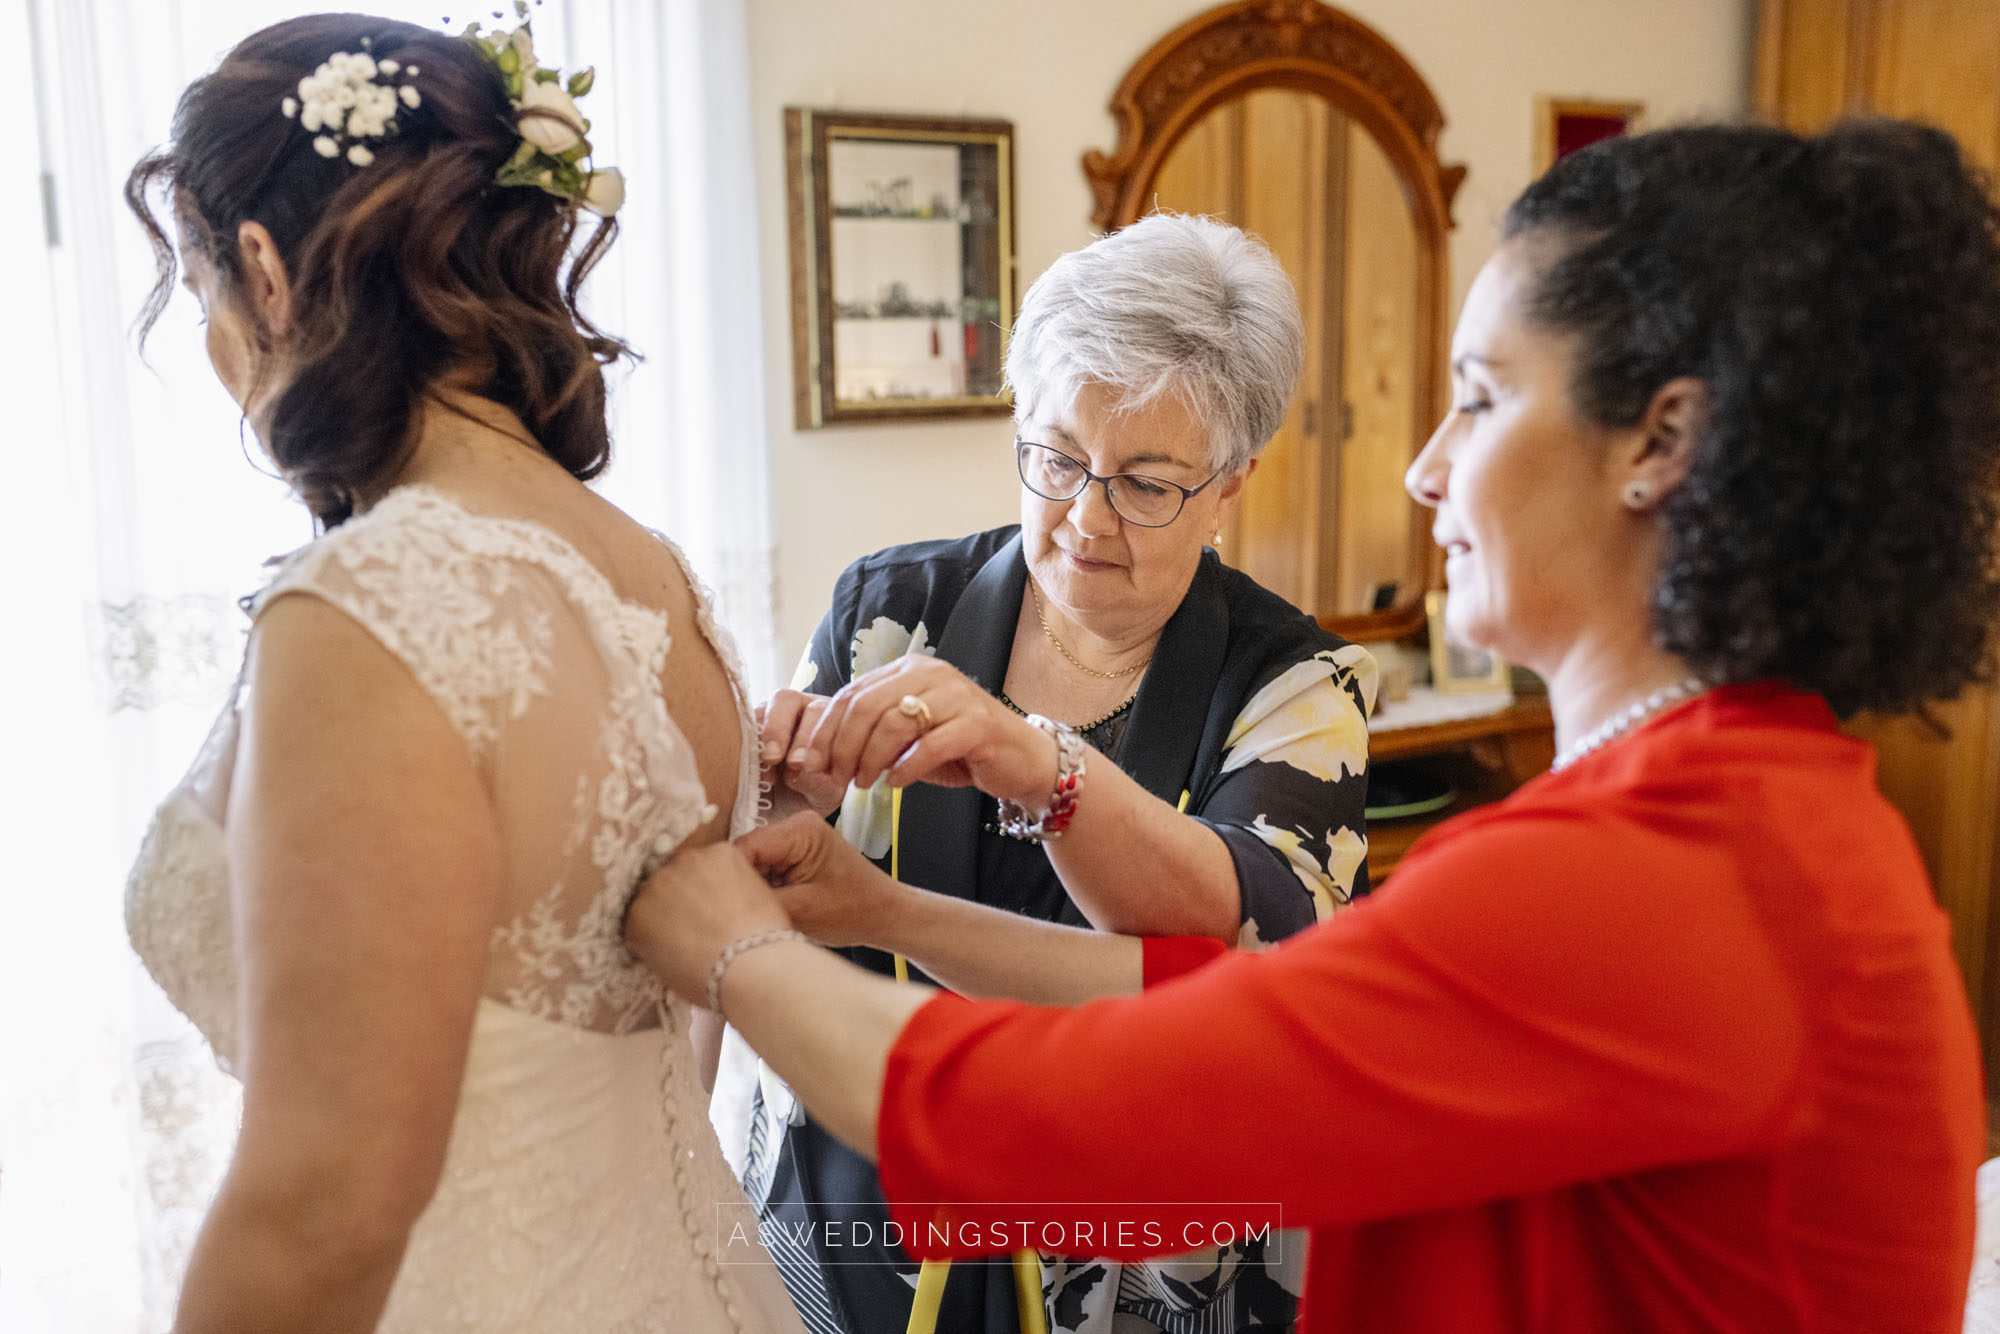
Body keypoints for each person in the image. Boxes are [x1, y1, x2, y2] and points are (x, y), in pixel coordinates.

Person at [629, 119, 1998, 1332]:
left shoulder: (1649, 879)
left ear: (1660, 442)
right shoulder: (1740, 821)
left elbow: (1107, 1112)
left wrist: (736, 947)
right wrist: (872, 900)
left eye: (1479, 392)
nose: (1424, 465)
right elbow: (1222, 1000)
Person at [120, 13, 803, 1332]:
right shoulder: (651, 579)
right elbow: (678, 1047)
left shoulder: (371, 605)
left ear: (262, 270)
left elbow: (326, 1204)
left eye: (199, 287)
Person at [743, 213, 1376, 1334]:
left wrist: (1035, 760)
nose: (1085, 516)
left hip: (1143, 1249)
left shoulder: (1295, 685)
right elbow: (775, 887)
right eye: (1056, 457)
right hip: (871, 1212)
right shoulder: (889, 612)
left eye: (1144, 482)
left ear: (1231, 482)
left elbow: (1242, 949)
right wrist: (781, 799)